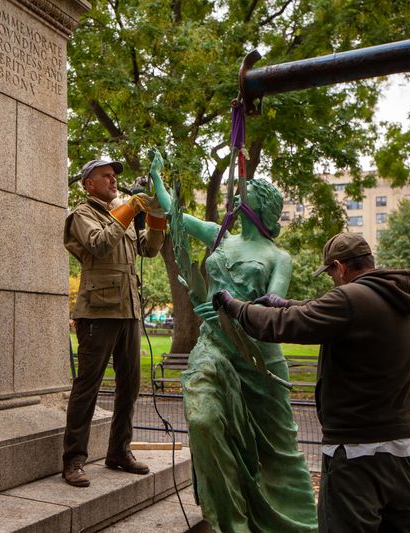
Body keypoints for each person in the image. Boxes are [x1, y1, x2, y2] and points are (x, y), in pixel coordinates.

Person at [213, 232, 410, 532]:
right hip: (397, 447)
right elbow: (326, 312)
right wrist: (284, 303)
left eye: (331, 274)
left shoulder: (349, 298)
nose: (333, 281)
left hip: (353, 453)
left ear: (339, 267)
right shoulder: (399, 299)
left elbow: (284, 326)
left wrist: (235, 307)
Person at [151, 162, 318, 532]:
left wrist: (232, 309)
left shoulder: (279, 257)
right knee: (203, 419)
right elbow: (177, 216)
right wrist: (158, 179)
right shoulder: (219, 238)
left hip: (257, 359)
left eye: (246, 194)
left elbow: (274, 308)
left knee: (277, 453)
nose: (237, 196)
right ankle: (232, 521)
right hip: (213, 349)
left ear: (260, 208)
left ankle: (290, 522)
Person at [62, 157, 166, 487]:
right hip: (97, 311)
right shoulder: (83, 214)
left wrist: (156, 214)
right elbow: (99, 243)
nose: (113, 180)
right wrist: (129, 209)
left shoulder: (119, 213)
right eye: (105, 176)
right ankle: (74, 460)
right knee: (87, 387)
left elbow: (148, 249)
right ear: (88, 184)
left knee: (130, 386)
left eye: (113, 176)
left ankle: (119, 451)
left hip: (129, 310)